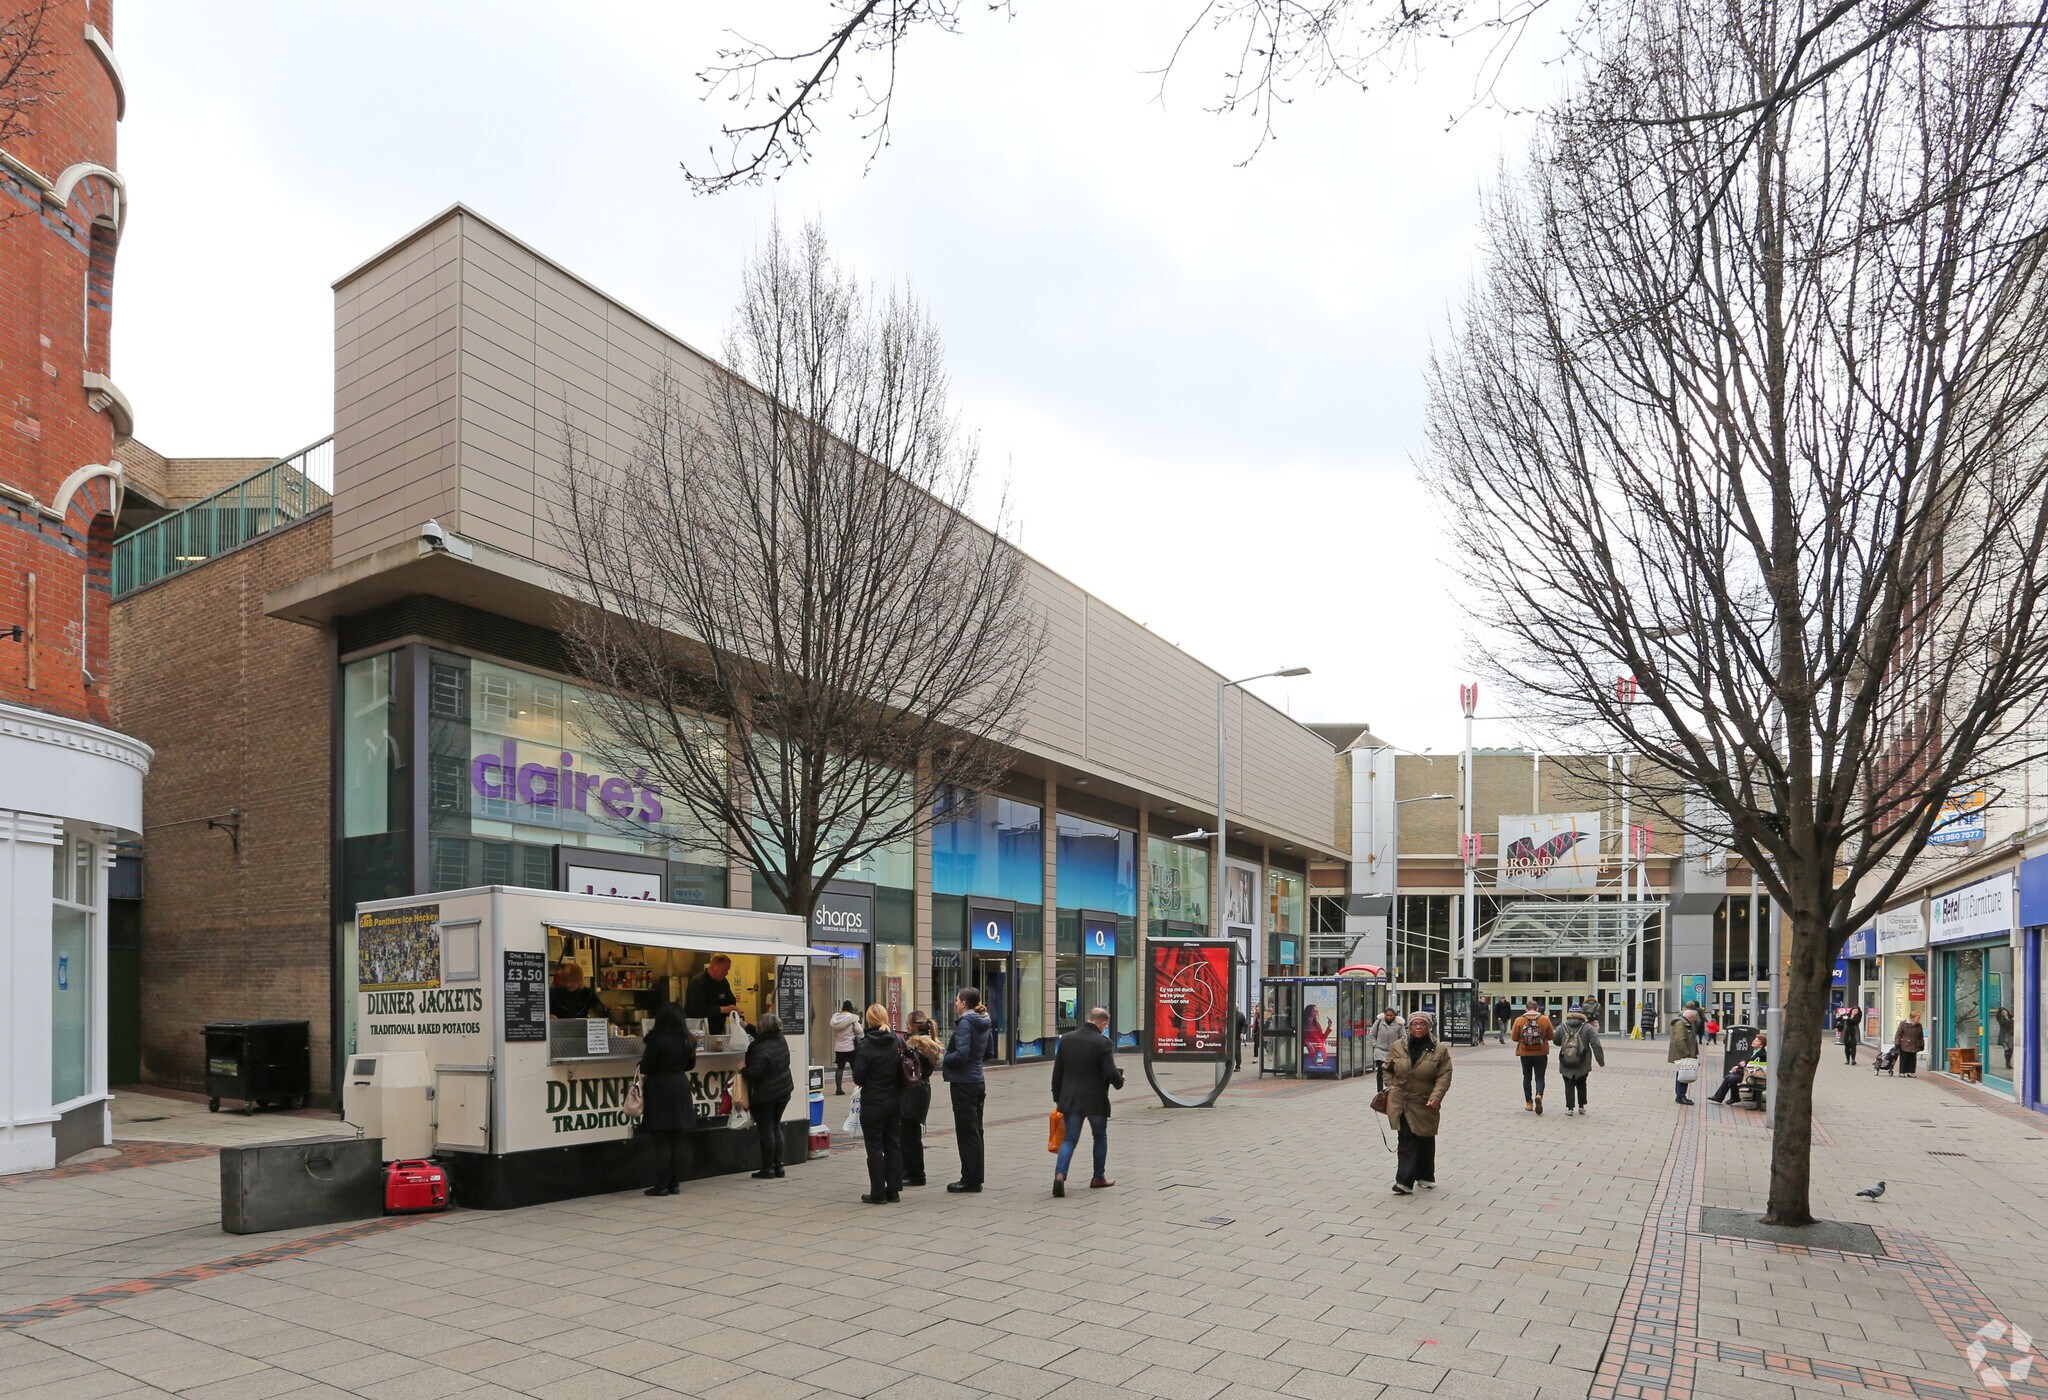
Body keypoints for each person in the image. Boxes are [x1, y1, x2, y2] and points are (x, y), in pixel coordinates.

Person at [1051, 1005, 1125, 1196]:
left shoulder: (1066, 1040)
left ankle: (1060, 1175)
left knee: (1070, 1139)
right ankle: (1098, 1177)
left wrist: (1058, 1098)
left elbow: (1057, 1072)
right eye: (1105, 1026)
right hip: (1095, 1099)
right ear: (1102, 1023)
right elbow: (1110, 1072)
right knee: (1099, 1136)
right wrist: (1119, 1082)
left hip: (1071, 1099)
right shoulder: (1103, 1043)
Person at [1384, 1010, 1452, 1194]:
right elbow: (1387, 1068)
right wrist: (1390, 1085)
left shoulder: (1439, 1050)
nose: (1418, 1027)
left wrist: (1436, 1096)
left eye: (1422, 1024)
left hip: (1424, 1101)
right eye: (1415, 1024)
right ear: (1409, 1027)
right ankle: (1404, 1182)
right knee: (1406, 1139)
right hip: (1401, 1101)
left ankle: (1426, 1175)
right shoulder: (1398, 1046)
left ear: (1429, 1027)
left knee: (1425, 1138)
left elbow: (1444, 1075)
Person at [637, 1003, 697, 1196]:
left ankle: (661, 1185)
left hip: (660, 1088)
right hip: (680, 1086)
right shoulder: (688, 1038)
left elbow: (646, 1067)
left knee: (661, 1138)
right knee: (678, 1138)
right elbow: (690, 1064)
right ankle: (675, 1184)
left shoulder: (656, 1038)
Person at [851, 1004, 908, 1203]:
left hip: (873, 1102)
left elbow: (859, 1076)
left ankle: (878, 1192)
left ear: (868, 1021)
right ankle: (893, 1190)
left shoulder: (866, 1045)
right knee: (893, 1143)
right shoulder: (898, 1040)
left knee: (874, 1146)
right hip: (895, 1100)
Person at [942, 987, 994, 1194]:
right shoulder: (984, 1021)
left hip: (964, 1083)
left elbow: (960, 1055)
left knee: (966, 1131)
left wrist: (943, 1055)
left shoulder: (965, 1023)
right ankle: (975, 1176)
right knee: (975, 1130)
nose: (955, 1003)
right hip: (977, 1080)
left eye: (957, 1000)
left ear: (964, 1003)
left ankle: (970, 1179)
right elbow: (988, 1052)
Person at [743, 1012, 796, 1179]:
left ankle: (767, 1169)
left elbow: (754, 1073)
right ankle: (778, 1166)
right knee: (775, 1127)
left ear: (762, 1028)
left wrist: (742, 1068)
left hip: (765, 1094)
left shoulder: (759, 1047)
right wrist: (746, 1027)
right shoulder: (780, 1039)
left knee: (766, 1129)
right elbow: (763, 1038)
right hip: (783, 1091)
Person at [901, 1011, 945, 1187]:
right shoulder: (929, 1045)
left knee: (907, 1135)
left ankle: (915, 1173)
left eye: (907, 1024)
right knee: (911, 1134)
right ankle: (913, 1172)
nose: (905, 1027)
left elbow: (907, 1069)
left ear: (913, 1026)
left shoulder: (916, 1046)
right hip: (921, 1091)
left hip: (912, 1092)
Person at [1555, 1002, 1606, 1115]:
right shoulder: (1588, 1028)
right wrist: (1600, 1060)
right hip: (1583, 1061)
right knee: (1582, 1083)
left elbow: (1556, 1042)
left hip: (1566, 1061)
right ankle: (1581, 1106)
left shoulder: (1561, 1027)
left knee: (1568, 1083)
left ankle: (1570, 1108)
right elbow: (1596, 1044)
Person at [1511, 998, 1555, 1114]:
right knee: (1540, 1077)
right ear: (1537, 1008)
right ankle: (1539, 1094)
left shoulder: (1519, 1020)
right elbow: (1551, 1036)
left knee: (1527, 1078)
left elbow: (1514, 1038)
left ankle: (1529, 1103)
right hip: (1541, 1053)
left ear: (1526, 1008)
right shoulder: (1544, 1019)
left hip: (1525, 1053)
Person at [683, 954, 740, 1031]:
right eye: (724, 970)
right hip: (698, 1029)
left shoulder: (723, 982)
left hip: (717, 1028)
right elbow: (697, 1008)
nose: (727, 973)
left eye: (728, 970)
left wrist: (733, 1010)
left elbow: (730, 1001)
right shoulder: (697, 982)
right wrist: (722, 1009)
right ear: (714, 967)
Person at [1709, 1028, 1767, 1104]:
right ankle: (1720, 1097)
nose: (1753, 1042)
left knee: (1732, 1079)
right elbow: (1746, 1060)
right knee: (1728, 1077)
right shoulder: (1754, 1051)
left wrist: (1739, 1069)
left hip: (1754, 1076)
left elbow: (1754, 1067)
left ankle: (1733, 1098)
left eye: (1756, 1041)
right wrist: (1740, 1065)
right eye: (1754, 1040)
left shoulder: (1762, 1054)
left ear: (1761, 1045)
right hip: (1748, 1074)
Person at [1668, 1005, 1702, 1104]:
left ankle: (1680, 1095)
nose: (1694, 1021)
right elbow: (1680, 1040)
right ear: (1690, 1018)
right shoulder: (1680, 1024)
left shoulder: (1685, 1023)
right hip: (1683, 1054)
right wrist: (1686, 1053)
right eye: (1694, 1019)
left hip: (1686, 1053)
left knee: (1683, 1073)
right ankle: (1680, 1096)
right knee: (1684, 1073)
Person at [829, 1000, 861, 1094]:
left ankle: (838, 1089)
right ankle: (858, 1087)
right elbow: (859, 1031)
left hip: (839, 1048)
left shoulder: (835, 1018)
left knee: (839, 1068)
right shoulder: (852, 1019)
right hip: (850, 1047)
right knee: (854, 1068)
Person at [1369, 1005, 1403, 1089]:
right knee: (1381, 1070)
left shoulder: (1399, 1024)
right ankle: (1380, 1090)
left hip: (1393, 1052)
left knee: (1392, 1071)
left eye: (1391, 1015)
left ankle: (1391, 1088)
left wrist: (1399, 1048)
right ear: (1384, 1015)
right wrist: (1375, 1045)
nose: (1389, 1017)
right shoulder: (1379, 1022)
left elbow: (1403, 1038)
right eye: (1387, 1015)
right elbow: (1372, 1034)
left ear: (1394, 1015)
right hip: (1380, 1051)